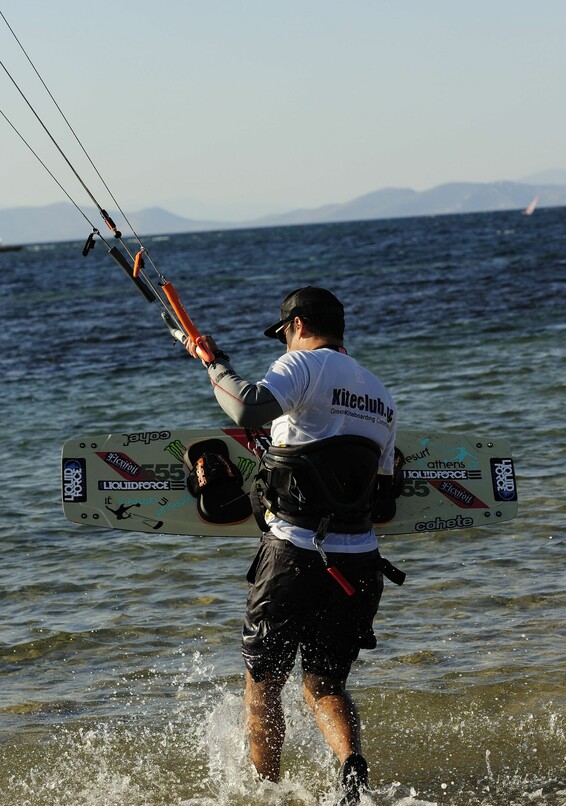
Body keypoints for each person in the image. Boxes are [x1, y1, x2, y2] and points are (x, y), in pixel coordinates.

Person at [185, 286, 402, 804]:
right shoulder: (381, 395)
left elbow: (246, 407)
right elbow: (385, 495)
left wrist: (214, 363)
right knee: (324, 684)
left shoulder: (305, 366)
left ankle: (267, 795)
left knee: (262, 689)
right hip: (360, 563)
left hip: (294, 554)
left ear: (298, 326)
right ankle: (351, 766)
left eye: (284, 334)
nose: (285, 343)